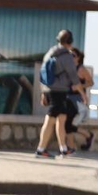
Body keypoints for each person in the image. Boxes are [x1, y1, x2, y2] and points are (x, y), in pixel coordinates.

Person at [33, 29, 79, 158]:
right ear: (70, 42)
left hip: (50, 89)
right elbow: (73, 75)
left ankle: (63, 149)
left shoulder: (50, 53)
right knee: (51, 119)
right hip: (59, 90)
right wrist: (81, 89)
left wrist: (44, 91)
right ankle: (41, 149)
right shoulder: (66, 56)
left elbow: (43, 73)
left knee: (61, 118)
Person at [65, 45, 95, 152]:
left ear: (78, 57)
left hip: (76, 99)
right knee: (66, 123)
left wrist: (79, 87)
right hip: (67, 98)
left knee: (67, 123)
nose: (71, 58)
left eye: (73, 56)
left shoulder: (81, 69)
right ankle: (85, 137)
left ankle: (73, 146)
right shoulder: (68, 69)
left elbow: (91, 82)